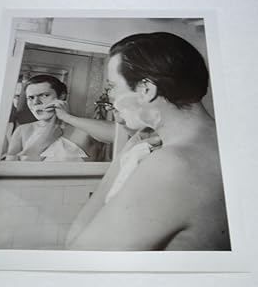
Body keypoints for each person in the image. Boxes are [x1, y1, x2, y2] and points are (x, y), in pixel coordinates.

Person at [65, 32, 231, 250]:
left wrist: (121, 160)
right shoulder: (229, 143)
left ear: (146, 89)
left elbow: (79, 254)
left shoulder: (171, 165)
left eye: (113, 86)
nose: (111, 97)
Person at [5, 74, 98, 161]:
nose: (36, 102)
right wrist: (44, 139)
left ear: (62, 96)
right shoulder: (22, 131)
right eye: (31, 98)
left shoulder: (85, 132)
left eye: (44, 95)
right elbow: (8, 171)